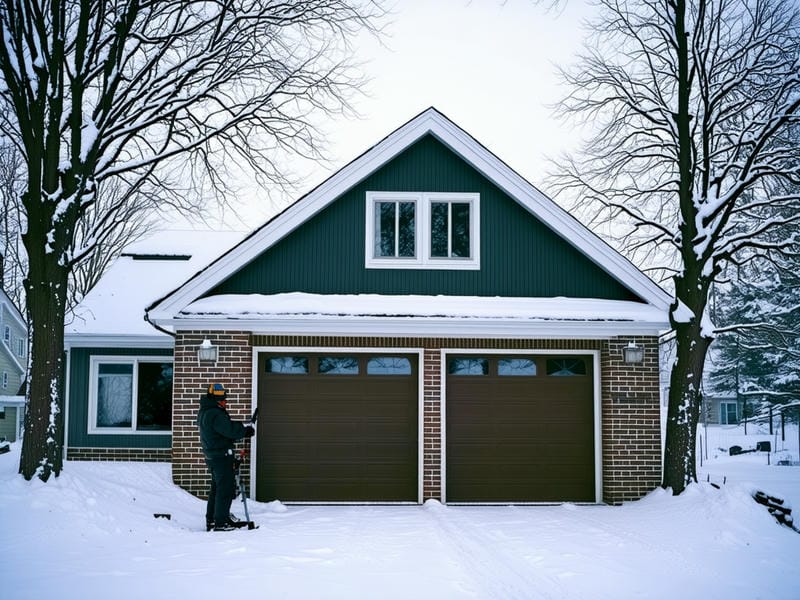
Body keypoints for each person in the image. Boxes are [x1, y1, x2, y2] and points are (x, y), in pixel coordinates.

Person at [197, 382, 255, 531]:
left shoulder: (205, 411)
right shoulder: (215, 413)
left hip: (213, 456)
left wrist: (243, 428)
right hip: (221, 457)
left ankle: (212, 520)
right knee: (225, 490)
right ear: (215, 400)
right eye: (222, 400)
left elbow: (223, 430)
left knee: (216, 489)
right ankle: (220, 523)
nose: (225, 402)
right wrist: (245, 431)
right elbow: (229, 429)